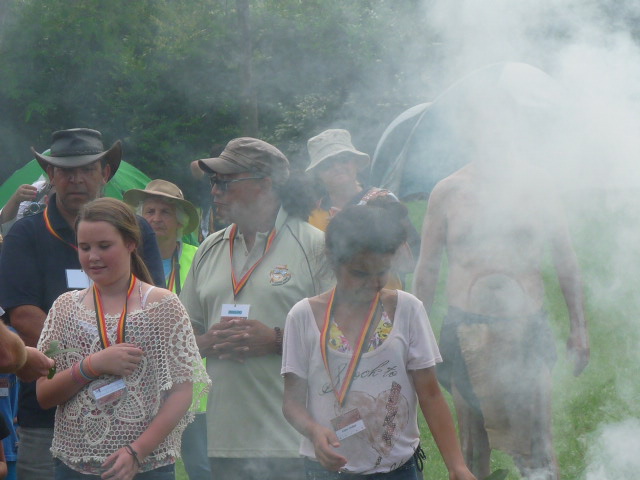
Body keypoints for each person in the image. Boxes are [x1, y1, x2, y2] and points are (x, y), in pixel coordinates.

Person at [413, 140, 590, 478]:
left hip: (526, 324)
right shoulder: (449, 190)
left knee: (537, 443)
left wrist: (579, 328)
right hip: (466, 324)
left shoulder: (538, 186)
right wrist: (414, 335)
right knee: (473, 444)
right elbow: (428, 267)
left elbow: (565, 258)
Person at [0, 128, 165, 480]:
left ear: (105, 173)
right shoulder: (25, 233)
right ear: (50, 175)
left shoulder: (136, 228)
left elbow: (152, 307)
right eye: (65, 171)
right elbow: (24, 317)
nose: (76, 179)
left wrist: (101, 361)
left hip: (130, 412)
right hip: (50, 413)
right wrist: (92, 363)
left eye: (87, 169)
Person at [281, 204, 475, 480]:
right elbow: (292, 403)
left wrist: (457, 465)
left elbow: (430, 393)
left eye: (382, 271)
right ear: (332, 259)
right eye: (360, 273)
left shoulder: (407, 310)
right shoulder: (303, 316)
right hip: (327, 470)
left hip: (398, 469)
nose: (373, 282)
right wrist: (314, 431)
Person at [179, 137, 334, 480]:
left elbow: (345, 337)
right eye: (213, 182)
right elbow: (182, 331)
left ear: (267, 184)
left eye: (226, 181)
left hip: (296, 442)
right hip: (223, 441)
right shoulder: (209, 248)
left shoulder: (315, 246)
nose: (215, 191)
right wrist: (207, 343)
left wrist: (278, 340)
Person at [35, 197, 209, 479]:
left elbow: (181, 392)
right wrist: (90, 366)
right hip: (74, 466)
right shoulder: (65, 308)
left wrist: (136, 451)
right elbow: (44, 393)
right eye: (85, 247)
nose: (93, 256)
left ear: (131, 243)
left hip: (145, 466)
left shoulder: (162, 306)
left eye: (104, 246)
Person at [123, 180, 211, 480]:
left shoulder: (200, 257)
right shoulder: (126, 261)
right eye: (149, 211)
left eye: (165, 212)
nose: (156, 219)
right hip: (139, 385)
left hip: (191, 386)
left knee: (199, 467)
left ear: (180, 222)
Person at [306, 129, 420, 290]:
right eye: (327, 164)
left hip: (383, 299)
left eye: (343, 159)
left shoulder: (383, 201)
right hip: (331, 304)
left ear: (356, 163)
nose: (337, 167)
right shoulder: (312, 212)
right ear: (318, 174)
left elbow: (413, 258)